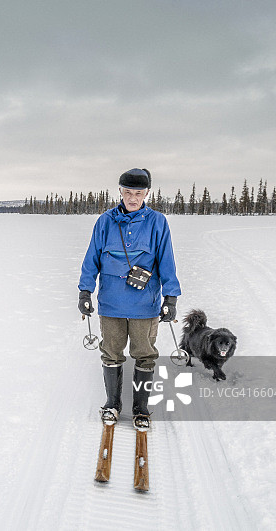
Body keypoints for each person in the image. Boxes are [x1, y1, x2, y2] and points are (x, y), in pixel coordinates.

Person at [77, 168, 181, 430]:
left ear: (147, 193)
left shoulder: (157, 222)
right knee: (111, 353)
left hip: (144, 304)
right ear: (120, 191)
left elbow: (166, 261)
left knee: (144, 355)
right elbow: (92, 258)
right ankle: (112, 404)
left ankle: (141, 408)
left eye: (138, 193)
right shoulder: (105, 221)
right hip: (111, 302)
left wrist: (170, 298)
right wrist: (85, 290)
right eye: (127, 192)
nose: (132, 198)